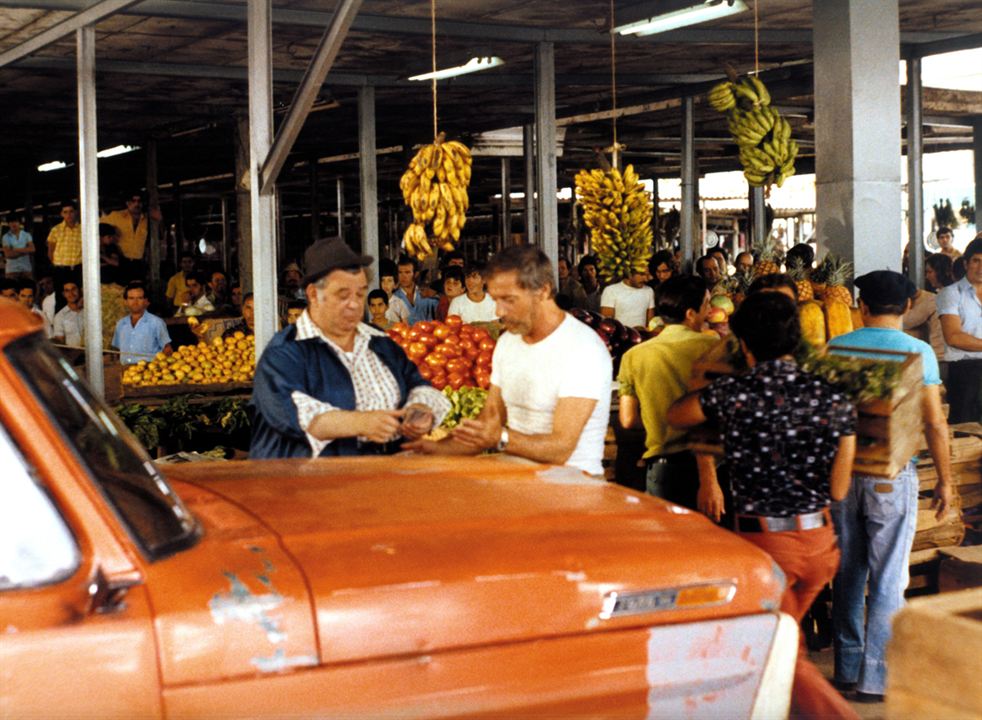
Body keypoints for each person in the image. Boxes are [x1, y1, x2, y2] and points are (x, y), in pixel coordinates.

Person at [668, 291, 860, 720]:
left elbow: (677, 416)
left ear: (746, 345)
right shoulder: (835, 398)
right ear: (796, 340)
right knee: (787, 643)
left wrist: (706, 384)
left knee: (781, 649)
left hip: (767, 548)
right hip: (820, 545)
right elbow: (840, 489)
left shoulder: (733, 393)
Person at [826, 270, 953, 703]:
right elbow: (935, 423)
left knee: (847, 573)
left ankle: (845, 668)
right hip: (891, 478)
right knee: (888, 579)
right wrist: (947, 481)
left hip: (842, 475)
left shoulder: (837, 346)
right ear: (904, 308)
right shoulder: (918, 352)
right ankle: (875, 679)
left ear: (861, 307)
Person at [405, 245, 612, 477]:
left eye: (508, 300)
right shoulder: (508, 343)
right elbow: (489, 421)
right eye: (495, 299)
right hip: (519, 482)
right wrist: (433, 449)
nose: (498, 311)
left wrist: (500, 438)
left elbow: (560, 448)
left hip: (575, 490)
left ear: (542, 291)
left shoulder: (582, 349)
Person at [249, 237, 449, 459]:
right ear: (314, 294)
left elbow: (418, 384)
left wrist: (420, 409)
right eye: (343, 295)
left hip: (381, 481)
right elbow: (299, 415)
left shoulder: (379, 342)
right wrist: (361, 422)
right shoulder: (284, 353)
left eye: (360, 293)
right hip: (310, 486)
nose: (355, 304)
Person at [618, 276, 716, 508]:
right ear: (691, 313)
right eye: (707, 305)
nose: (711, 310)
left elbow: (628, 419)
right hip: (711, 471)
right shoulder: (713, 348)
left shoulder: (633, 355)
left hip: (663, 470)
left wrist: (658, 418)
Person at [937, 236, 982, 424]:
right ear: (965, 263)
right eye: (976, 261)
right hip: (965, 372)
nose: (981, 268)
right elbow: (953, 337)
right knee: (966, 431)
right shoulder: (951, 294)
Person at [100, 193, 161, 282]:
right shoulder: (116, 216)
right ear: (127, 203)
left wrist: (160, 219)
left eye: (139, 201)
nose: (137, 204)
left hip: (138, 263)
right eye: (133, 201)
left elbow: (161, 235)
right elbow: (96, 227)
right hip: (120, 261)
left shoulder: (147, 219)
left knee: (138, 291)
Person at [111, 282, 172, 365]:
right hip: (126, 373)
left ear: (146, 301)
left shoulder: (156, 323)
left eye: (139, 298)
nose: (135, 302)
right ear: (125, 302)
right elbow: (117, 351)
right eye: (131, 298)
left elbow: (167, 350)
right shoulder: (120, 324)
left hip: (148, 372)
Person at [393, 254, 438, 324]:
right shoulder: (394, 298)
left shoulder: (427, 294)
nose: (403, 276)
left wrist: (436, 295)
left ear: (415, 274)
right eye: (400, 272)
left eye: (407, 272)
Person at [47, 202, 82, 290]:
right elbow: (50, 251)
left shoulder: (83, 229)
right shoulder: (56, 230)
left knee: (79, 295)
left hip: (78, 269)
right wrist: (56, 266)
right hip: (60, 270)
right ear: (61, 214)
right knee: (60, 297)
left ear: (76, 212)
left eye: (71, 211)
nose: (69, 215)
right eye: (65, 212)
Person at [51, 280, 85, 348]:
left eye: (74, 289)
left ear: (80, 290)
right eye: (67, 291)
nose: (71, 293)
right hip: (73, 356)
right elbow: (60, 343)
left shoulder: (90, 311)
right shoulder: (59, 316)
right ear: (64, 294)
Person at [378, 258, 409, 324]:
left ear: (395, 285)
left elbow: (405, 325)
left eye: (389, 280)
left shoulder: (399, 303)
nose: (386, 284)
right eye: (383, 280)